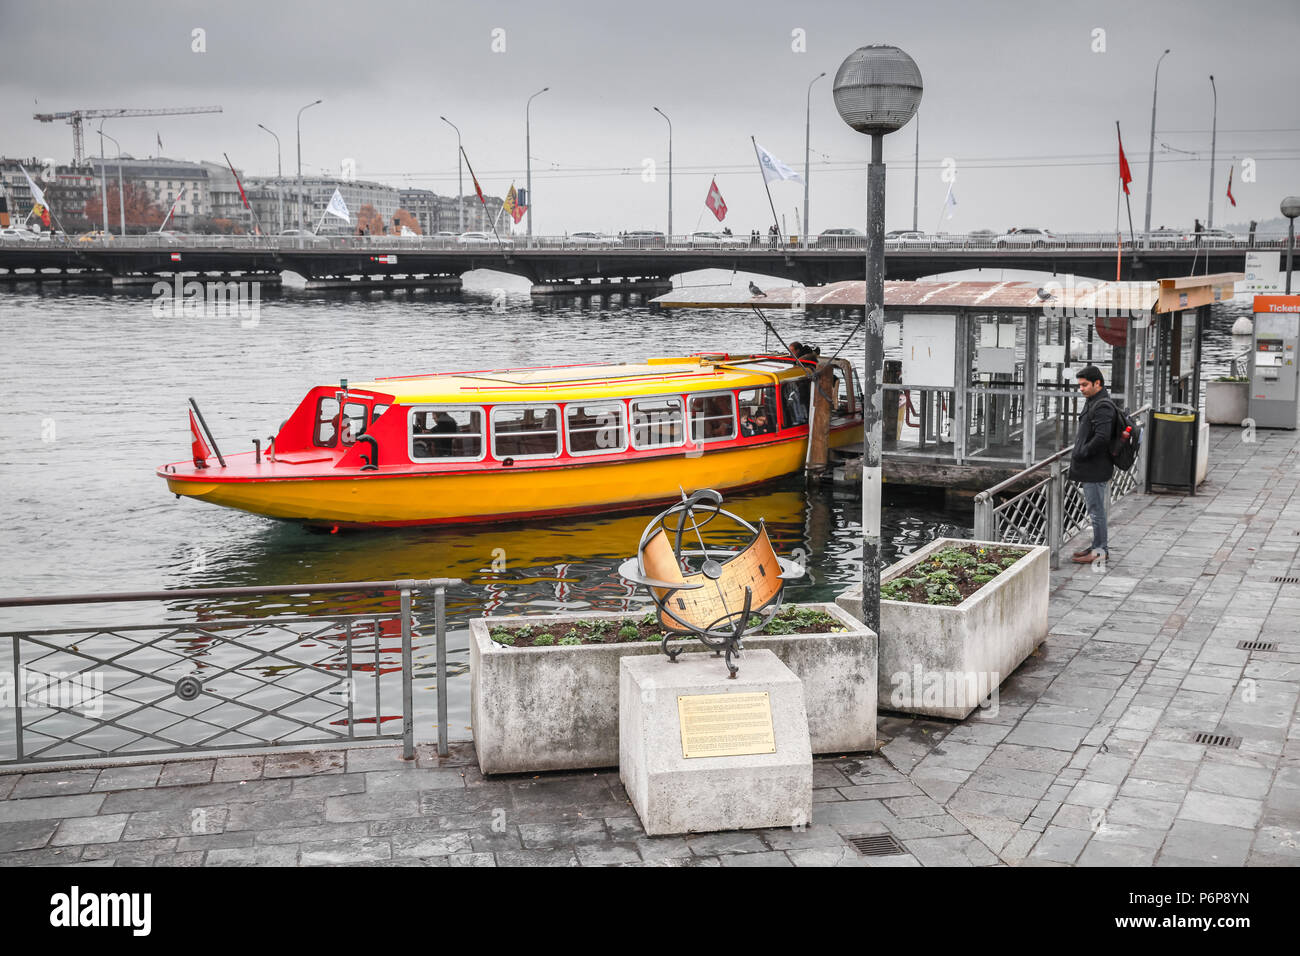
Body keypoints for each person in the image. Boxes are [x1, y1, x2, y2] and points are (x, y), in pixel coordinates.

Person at [1069, 365, 1117, 564]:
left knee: (1097, 512)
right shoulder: (1093, 401)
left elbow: (1102, 437)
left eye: (1085, 385)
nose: (1081, 389)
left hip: (1095, 467)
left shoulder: (1102, 405)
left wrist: (1083, 451)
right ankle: (1097, 545)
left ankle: (1100, 551)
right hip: (1091, 466)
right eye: (1079, 385)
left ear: (1098, 383)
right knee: (1095, 511)